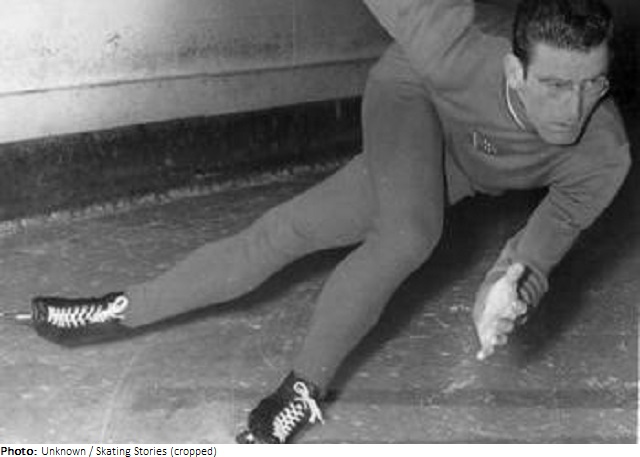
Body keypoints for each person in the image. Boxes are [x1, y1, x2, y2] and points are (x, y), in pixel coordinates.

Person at [30, 0, 630, 444]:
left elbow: (535, 254)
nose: (575, 109)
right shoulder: (449, 43)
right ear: (514, 72)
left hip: (457, 166)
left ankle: (123, 309)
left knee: (288, 230)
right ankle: (297, 384)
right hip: (411, 97)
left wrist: (508, 290)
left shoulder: (604, 155)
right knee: (408, 234)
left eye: (592, 86)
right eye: (556, 85)